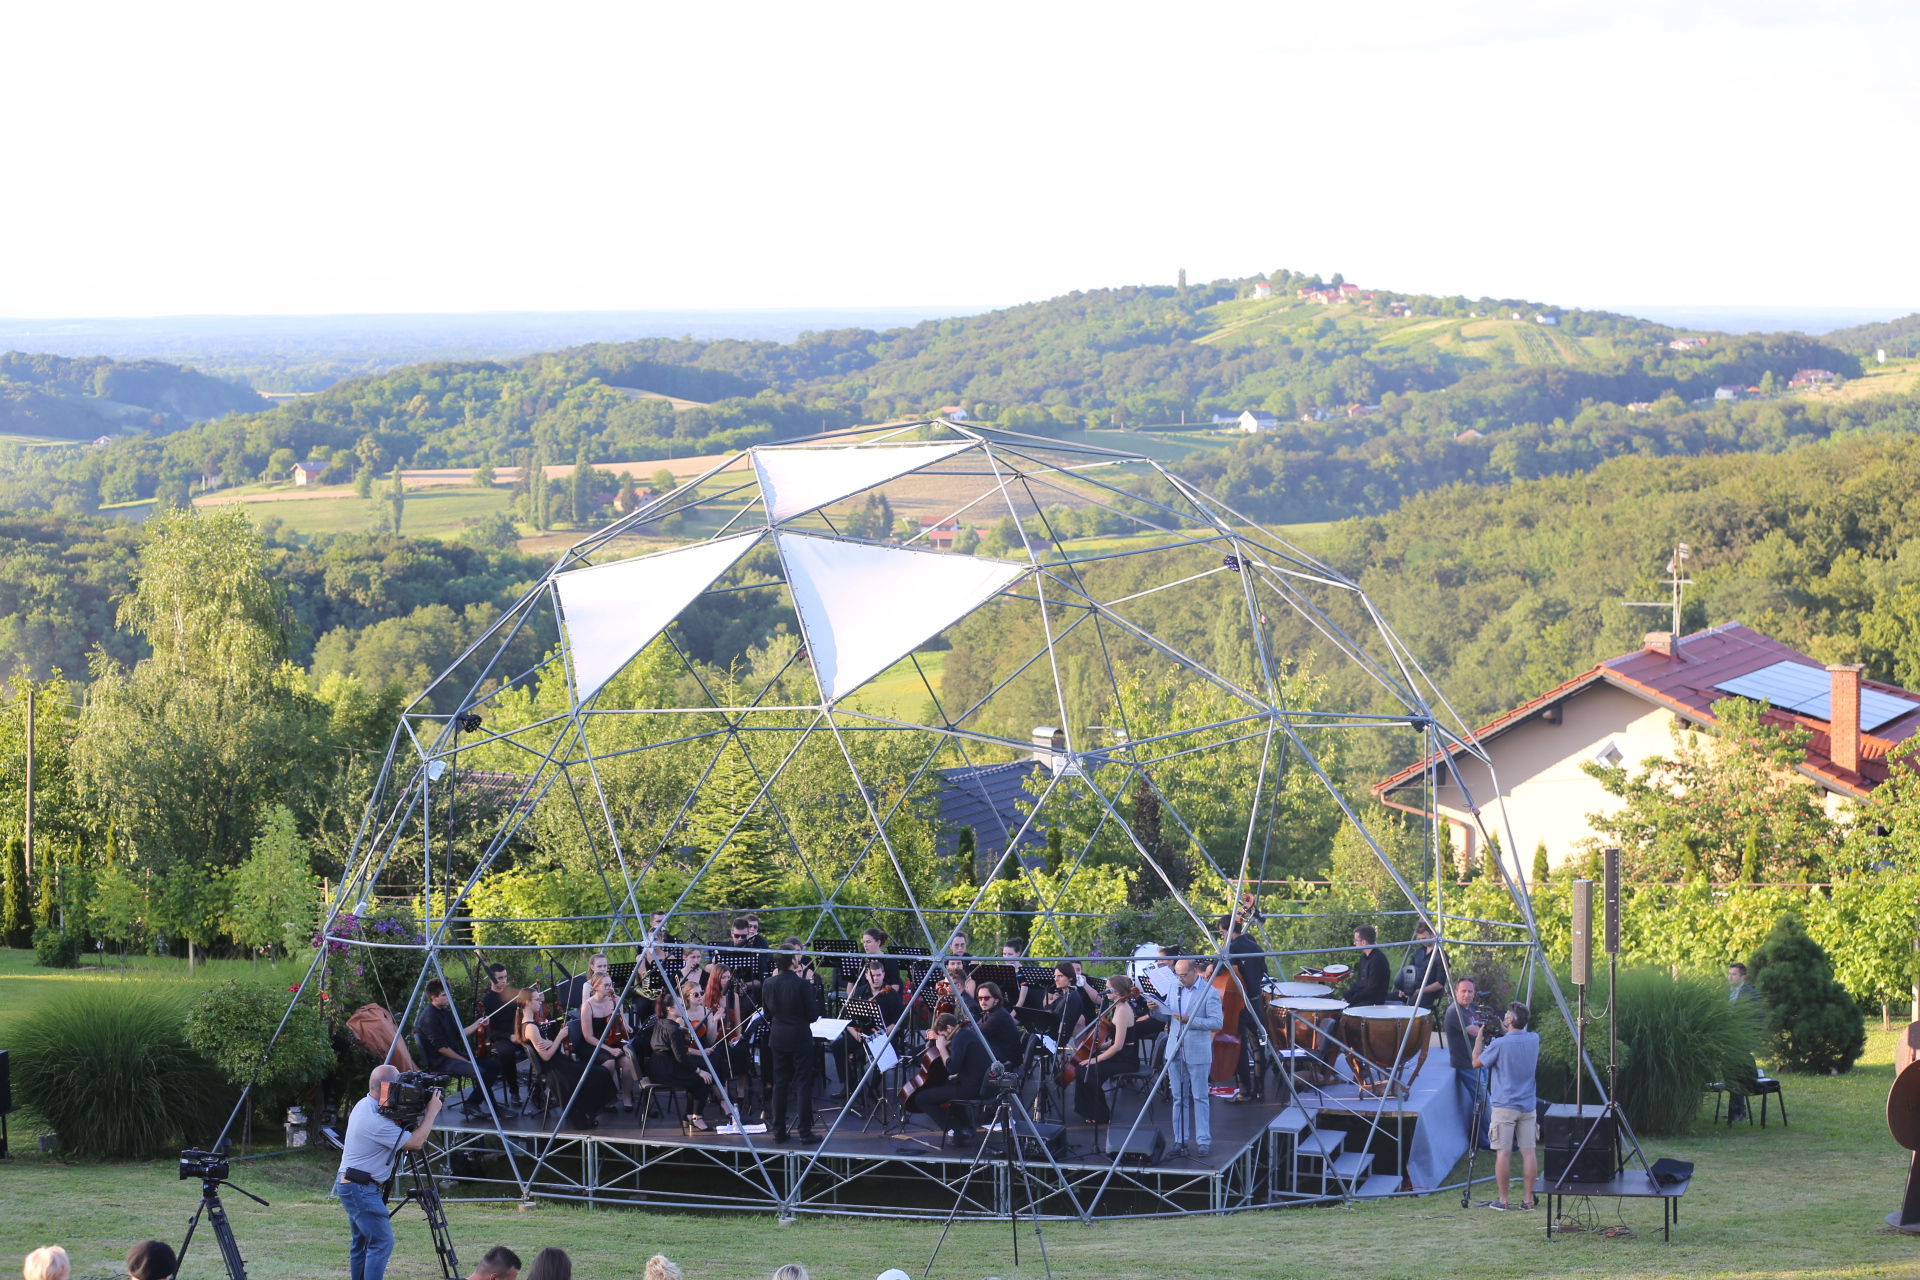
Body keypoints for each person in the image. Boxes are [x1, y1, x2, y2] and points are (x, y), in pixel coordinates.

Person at [337, 1064, 444, 1280]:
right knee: (382, 1242)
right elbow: (415, 1143)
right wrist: (432, 1111)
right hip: (360, 1188)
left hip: (354, 1184)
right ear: (386, 1087)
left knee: (362, 1244)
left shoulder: (366, 1104)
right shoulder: (375, 1121)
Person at [1149, 958, 1223, 1158]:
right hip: (1175, 1049)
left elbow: (1217, 1023)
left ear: (1194, 972)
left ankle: (1203, 1141)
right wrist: (1154, 1010)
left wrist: (1190, 1020)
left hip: (1198, 1051)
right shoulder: (1174, 987)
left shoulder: (1210, 992)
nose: (1180, 979)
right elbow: (1168, 1017)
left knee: (1200, 1097)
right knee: (1178, 1098)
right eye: (1177, 975)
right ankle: (1180, 1140)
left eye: (1183, 975)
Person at [1471, 1001, 1540, 1211]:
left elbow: (1476, 1062)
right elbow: (1514, 1035)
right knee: (1529, 1152)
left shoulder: (1500, 1045)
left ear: (1509, 1020)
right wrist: (1504, 1029)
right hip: (1528, 1105)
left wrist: (1479, 1040)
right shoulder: (1533, 1039)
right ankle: (1528, 1201)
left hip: (1504, 1105)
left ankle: (1503, 1200)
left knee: (1504, 1153)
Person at [762, 939, 824, 1142]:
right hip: (800, 1038)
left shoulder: (769, 983)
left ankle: (778, 1131)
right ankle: (805, 1132)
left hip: (778, 1037)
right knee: (803, 1084)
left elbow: (767, 1012)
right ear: (791, 961)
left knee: (780, 1083)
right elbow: (813, 1016)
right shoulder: (802, 984)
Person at [417, 978, 501, 1115]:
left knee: (493, 1065)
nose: (448, 997)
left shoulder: (443, 1011)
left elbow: (459, 1034)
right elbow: (441, 1048)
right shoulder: (429, 1017)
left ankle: (473, 1103)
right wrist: (464, 1061)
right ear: (433, 998)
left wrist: (478, 1023)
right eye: (444, 995)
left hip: (454, 1056)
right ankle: (490, 1108)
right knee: (479, 1072)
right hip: (441, 1061)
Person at [1073, 973, 1139, 1129]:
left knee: (1088, 1070)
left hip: (1126, 1060)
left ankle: (1100, 1114)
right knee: (1082, 1069)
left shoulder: (1122, 1010)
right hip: (1120, 1056)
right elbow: (1114, 1042)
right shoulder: (1117, 1007)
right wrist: (1095, 1048)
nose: (1105, 990)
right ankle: (1088, 1110)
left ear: (1116, 991)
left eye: (1108, 988)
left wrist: (1094, 1060)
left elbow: (1118, 1046)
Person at [910, 1013, 989, 1141]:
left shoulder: (959, 1037)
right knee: (948, 1086)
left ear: (949, 1028)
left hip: (971, 1088)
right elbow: (971, 1062)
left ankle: (956, 1130)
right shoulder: (968, 1033)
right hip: (981, 1085)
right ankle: (965, 1127)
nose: (943, 1038)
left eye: (942, 1035)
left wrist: (941, 1047)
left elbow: (951, 1068)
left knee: (921, 1098)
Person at [649, 995, 718, 1130]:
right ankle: (697, 1118)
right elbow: (682, 1058)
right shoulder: (674, 1031)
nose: (683, 1007)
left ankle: (689, 1115)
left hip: (655, 1067)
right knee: (704, 1080)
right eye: (680, 1005)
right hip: (666, 1071)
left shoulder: (661, 1022)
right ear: (670, 1009)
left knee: (696, 1078)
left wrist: (680, 1031)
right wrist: (700, 1071)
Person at [1222, 912, 1269, 1101]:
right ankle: (1260, 1088)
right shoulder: (1256, 946)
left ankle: (1244, 1091)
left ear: (1225, 930)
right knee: (1257, 1046)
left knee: (1240, 1047)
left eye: (1221, 932)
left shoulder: (1231, 948)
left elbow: (1231, 972)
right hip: (1255, 1001)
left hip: (1239, 1004)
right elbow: (1264, 973)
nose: (1222, 936)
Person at [579, 973, 639, 1111]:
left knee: (627, 1062)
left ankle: (627, 1097)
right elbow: (588, 1036)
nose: (610, 988)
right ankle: (607, 1097)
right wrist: (610, 1050)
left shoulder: (615, 1000)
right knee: (609, 1062)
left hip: (613, 1039)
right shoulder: (588, 1006)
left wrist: (626, 1026)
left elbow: (621, 1022)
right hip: (594, 1043)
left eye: (611, 984)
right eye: (606, 985)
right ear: (595, 987)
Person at [1441, 977, 1489, 1146]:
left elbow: (1486, 1023)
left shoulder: (1473, 1008)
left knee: (1483, 1101)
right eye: (1463, 991)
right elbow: (1477, 1032)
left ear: (1474, 993)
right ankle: (1484, 1142)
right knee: (1484, 1102)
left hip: (1480, 1060)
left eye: (1470, 991)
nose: (1467, 995)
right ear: (1456, 992)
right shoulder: (1455, 1012)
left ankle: (1483, 1137)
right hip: (1466, 1063)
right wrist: (1494, 1027)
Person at [479, 963, 527, 1109]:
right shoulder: (486, 1001)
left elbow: (528, 1009)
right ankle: (514, 1091)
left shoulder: (513, 994)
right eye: (500, 978)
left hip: (522, 1032)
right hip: (504, 1037)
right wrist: (509, 1036)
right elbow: (491, 1030)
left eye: (505, 977)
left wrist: (537, 999)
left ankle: (541, 1089)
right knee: (506, 1052)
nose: (504, 981)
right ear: (491, 980)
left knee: (541, 1046)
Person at [1728, 962, 1760, 1121]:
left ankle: (1737, 1111)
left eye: (1734, 974)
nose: (1730, 977)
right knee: (1729, 1074)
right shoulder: (1725, 992)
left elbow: (1757, 1019)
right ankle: (1736, 1110)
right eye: (1729, 973)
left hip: (1740, 1042)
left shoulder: (1750, 995)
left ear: (1743, 977)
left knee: (1736, 1074)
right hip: (1726, 1040)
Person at [1397, 920, 1450, 1010]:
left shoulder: (1441, 955)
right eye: (1420, 939)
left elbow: (1440, 984)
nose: (1422, 941)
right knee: (1389, 999)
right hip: (1414, 990)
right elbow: (1409, 973)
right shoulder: (1418, 952)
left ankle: (1411, 1024)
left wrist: (1420, 991)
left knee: (1412, 1004)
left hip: (1428, 993)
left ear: (1433, 935)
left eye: (1424, 938)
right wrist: (1404, 989)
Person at [1341, 926, 1390, 1008]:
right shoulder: (1364, 957)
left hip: (1373, 1000)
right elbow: (1358, 984)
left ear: (1364, 942)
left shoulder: (1377, 960)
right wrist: (1345, 997)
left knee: (1347, 1012)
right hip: (1362, 997)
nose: (1354, 943)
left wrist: (1350, 1001)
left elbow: (1372, 990)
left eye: (1356, 940)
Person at [974, 981, 1022, 1065]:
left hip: (1005, 1064)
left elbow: (976, 1034)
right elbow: (975, 1027)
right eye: (980, 998)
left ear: (996, 999)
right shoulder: (991, 1012)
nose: (982, 1002)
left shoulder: (998, 1016)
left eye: (986, 998)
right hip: (997, 1059)